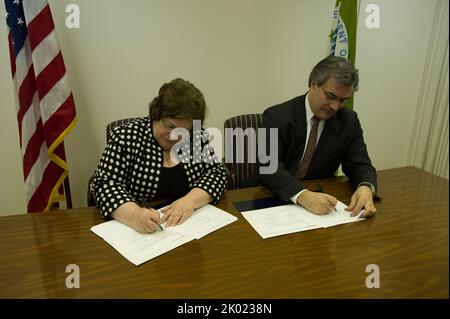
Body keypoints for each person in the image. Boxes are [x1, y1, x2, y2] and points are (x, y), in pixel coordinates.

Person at [91, 78, 228, 233]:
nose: (174, 136)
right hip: (140, 233)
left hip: (187, 229)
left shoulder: (196, 137)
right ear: (156, 114)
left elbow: (217, 173)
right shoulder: (126, 136)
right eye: (168, 126)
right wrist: (134, 215)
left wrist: (189, 201)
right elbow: (103, 184)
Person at [258, 56, 377, 218]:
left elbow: (360, 164)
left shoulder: (348, 120)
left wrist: (365, 187)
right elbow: (268, 167)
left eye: (343, 100)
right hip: (270, 198)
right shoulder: (276, 116)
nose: (335, 106)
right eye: (330, 96)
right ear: (313, 84)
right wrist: (301, 195)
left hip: (320, 206)